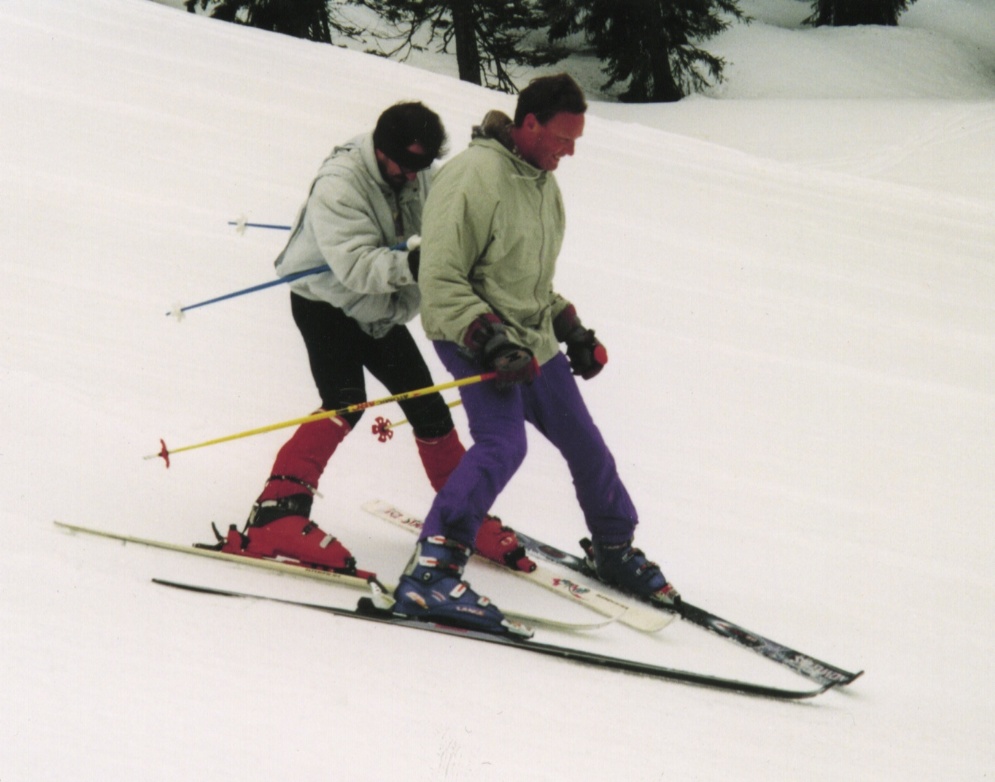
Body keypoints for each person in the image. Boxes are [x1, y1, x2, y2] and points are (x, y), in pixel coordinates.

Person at [390, 75, 679, 637]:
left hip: (530, 341)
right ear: (529, 124)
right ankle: (432, 570)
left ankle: (614, 548)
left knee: (586, 445)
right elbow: (441, 281)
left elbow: (531, 285)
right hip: (472, 335)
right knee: (503, 444)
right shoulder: (471, 177)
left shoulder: (544, 185)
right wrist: (492, 341)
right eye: (563, 138)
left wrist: (570, 328)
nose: (570, 152)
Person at [209, 102, 534, 575]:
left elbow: (443, 217)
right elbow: (358, 266)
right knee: (345, 402)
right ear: (381, 150)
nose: (414, 176)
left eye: (422, 167)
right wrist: (418, 263)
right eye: (405, 166)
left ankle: (462, 513)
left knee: (427, 407)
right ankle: (276, 515)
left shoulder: (417, 173)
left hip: (379, 308)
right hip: (325, 299)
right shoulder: (340, 184)